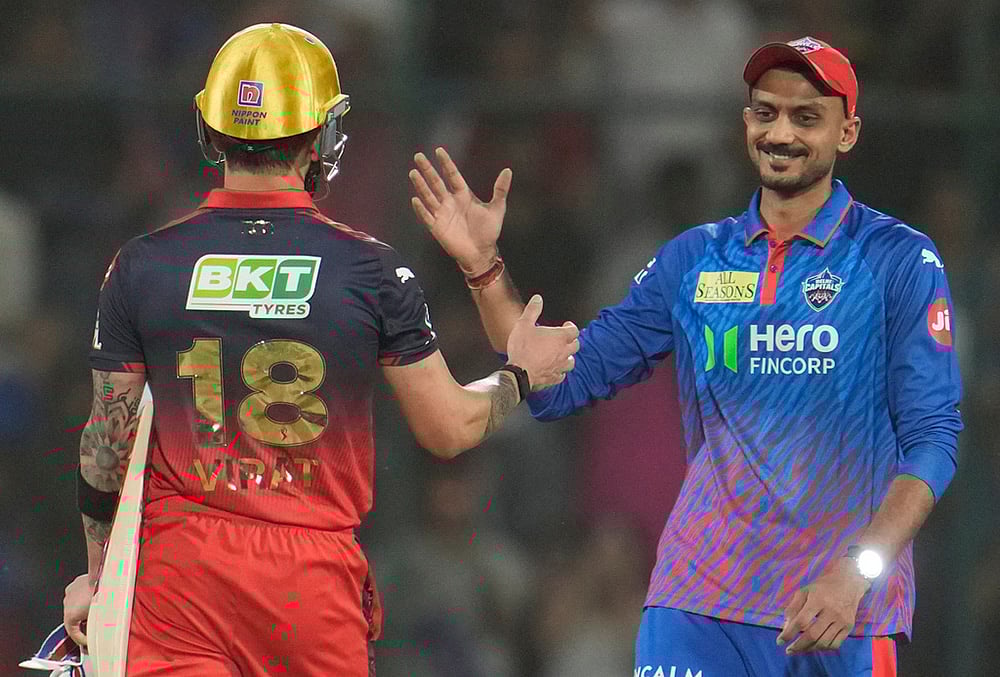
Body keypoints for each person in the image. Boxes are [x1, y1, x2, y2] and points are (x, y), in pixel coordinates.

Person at [410, 36, 962, 676]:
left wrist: (858, 572)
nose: (781, 133)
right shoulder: (695, 258)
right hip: (696, 607)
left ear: (848, 132)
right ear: (745, 123)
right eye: (765, 113)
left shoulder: (898, 260)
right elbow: (558, 380)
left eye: (806, 116)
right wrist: (482, 267)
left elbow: (933, 438)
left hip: (838, 613)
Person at [61, 22, 578, 677]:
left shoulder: (141, 265)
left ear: (210, 131)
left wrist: (100, 577)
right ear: (324, 136)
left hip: (179, 575)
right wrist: (520, 375)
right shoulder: (371, 271)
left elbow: (105, 446)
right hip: (306, 583)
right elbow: (448, 427)